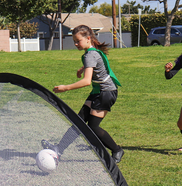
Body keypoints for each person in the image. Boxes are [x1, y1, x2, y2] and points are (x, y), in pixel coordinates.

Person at [42, 24, 124, 163]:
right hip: (99, 90)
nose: (75, 44)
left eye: (78, 41)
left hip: (106, 92)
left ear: (88, 38)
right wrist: (83, 68)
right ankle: (59, 149)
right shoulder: (92, 52)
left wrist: (65, 88)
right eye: (74, 41)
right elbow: (96, 63)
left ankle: (117, 150)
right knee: (79, 121)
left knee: (93, 127)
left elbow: (86, 81)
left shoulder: (90, 55)